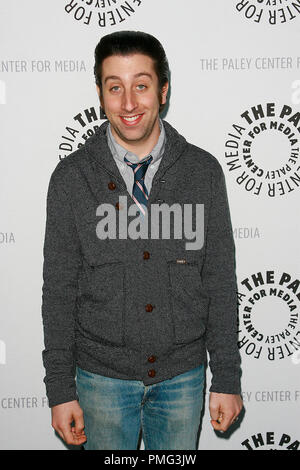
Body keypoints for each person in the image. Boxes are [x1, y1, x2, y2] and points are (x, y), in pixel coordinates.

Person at [41, 30, 243, 450]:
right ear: (100, 93)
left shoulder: (203, 173)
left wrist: (226, 377)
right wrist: (61, 389)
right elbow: (58, 292)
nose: (129, 103)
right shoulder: (71, 179)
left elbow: (220, 282)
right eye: (115, 87)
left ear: (163, 90)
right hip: (100, 380)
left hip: (183, 379)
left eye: (141, 86)